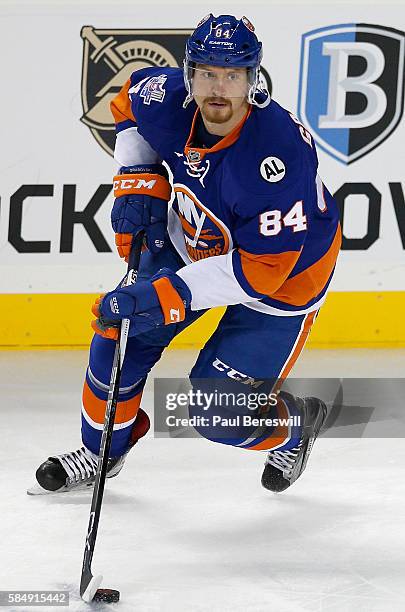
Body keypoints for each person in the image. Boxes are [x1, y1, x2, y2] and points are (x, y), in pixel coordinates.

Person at [29, 14, 341, 496]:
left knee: (217, 414)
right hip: (195, 240)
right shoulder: (168, 98)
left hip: (284, 275)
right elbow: (127, 100)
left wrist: (166, 295)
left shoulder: (276, 158)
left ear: (253, 81)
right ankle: (104, 450)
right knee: (118, 337)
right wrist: (139, 180)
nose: (219, 89)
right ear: (188, 72)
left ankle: (297, 426)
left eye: (233, 76)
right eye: (207, 73)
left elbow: (260, 271)